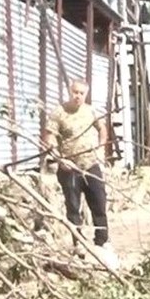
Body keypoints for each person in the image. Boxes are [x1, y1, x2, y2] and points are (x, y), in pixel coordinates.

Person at [43, 79, 110, 247]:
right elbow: (49, 136)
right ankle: (78, 243)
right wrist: (59, 158)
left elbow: (102, 129)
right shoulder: (59, 112)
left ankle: (102, 241)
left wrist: (100, 149)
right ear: (69, 91)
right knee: (73, 207)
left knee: (99, 203)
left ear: (86, 94)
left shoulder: (90, 111)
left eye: (81, 93)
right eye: (75, 92)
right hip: (69, 168)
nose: (78, 96)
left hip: (91, 165)